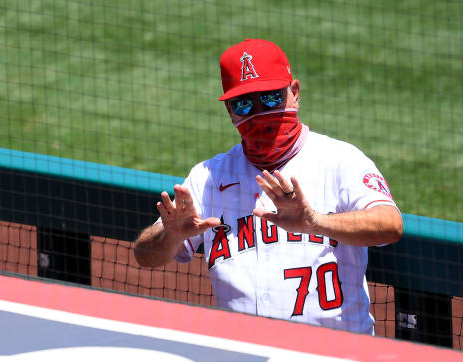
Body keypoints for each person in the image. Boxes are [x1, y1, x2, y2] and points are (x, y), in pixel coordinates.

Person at [134, 38, 403, 335]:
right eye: (245, 104)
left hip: (337, 352)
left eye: (272, 98)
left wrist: (316, 222)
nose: (261, 113)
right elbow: (145, 257)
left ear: (295, 93)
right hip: (246, 352)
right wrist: (169, 236)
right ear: (231, 113)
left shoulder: (339, 161)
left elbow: (390, 224)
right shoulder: (207, 178)